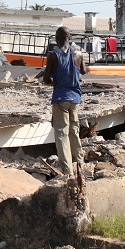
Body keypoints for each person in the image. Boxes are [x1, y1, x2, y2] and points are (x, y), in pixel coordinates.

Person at [43, 26, 87, 175]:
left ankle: (67, 171)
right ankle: (80, 164)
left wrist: (55, 81)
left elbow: (46, 79)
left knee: (61, 133)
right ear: (70, 38)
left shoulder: (53, 55)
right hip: (75, 98)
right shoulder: (78, 54)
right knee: (74, 131)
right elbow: (84, 71)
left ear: (57, 39)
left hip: (60, 98)